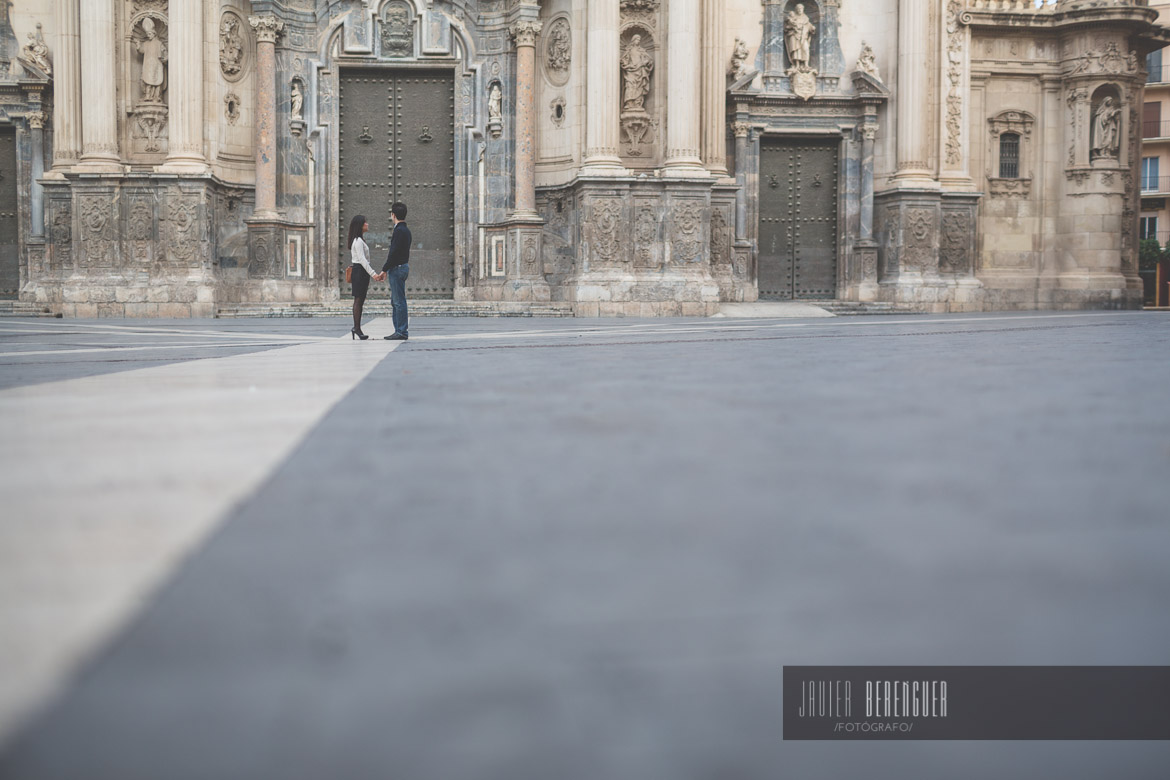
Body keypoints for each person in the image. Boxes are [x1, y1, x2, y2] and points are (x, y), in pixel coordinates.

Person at [347, 214, 384, 340]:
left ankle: (357, 328)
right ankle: (356, 328)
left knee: (360, 300)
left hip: (361, 272)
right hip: (359, 271)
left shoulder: (360, 240)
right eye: (365, 223)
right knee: (358, 300)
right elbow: (362, 260)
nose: (367, 224)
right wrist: (374, 274)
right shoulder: (357, 241)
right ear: (360, 225)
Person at [382, 202, 411, 341]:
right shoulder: (406, 230)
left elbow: (393, 252)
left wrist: (384, 269)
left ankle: (401, 331)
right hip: (403, 266)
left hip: (397, 268)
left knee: (398, 301)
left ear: (393, 215)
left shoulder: (399, 231)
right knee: (397, 300)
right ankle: (399, 330)